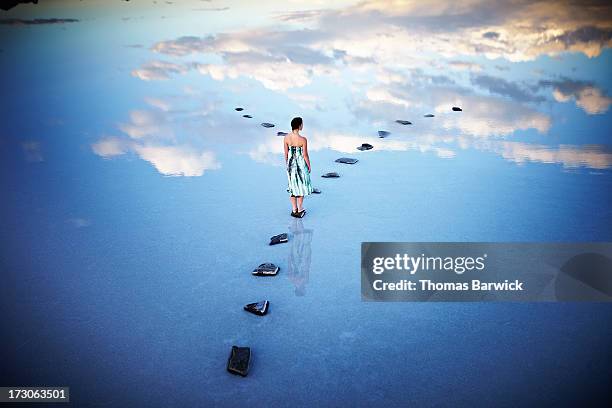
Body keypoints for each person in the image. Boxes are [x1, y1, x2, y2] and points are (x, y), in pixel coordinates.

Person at [284, 117, 313, 217]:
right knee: (301, 186)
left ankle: (294, 209)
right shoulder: (303, 139)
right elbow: (305, 155)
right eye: (302, 124)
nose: (302, 125)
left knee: (292, 187)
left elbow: (286, 154)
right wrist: (309, 165)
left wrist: (287, 165)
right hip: (300, 164)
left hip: (290, 164)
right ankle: (300, 209)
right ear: (299, 125)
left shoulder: (286, 138)